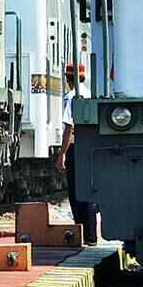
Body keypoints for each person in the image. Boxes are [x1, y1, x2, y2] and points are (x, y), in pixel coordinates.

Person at [56, 64, 97, 244]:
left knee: (75, 193)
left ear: (67, 78)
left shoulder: (71, 97)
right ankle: (91, 236)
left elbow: (69, 128)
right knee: (88, 191)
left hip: (76, 148)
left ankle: (81, 234)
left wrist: (62, 154)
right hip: (91, 147)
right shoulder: (90, 94)